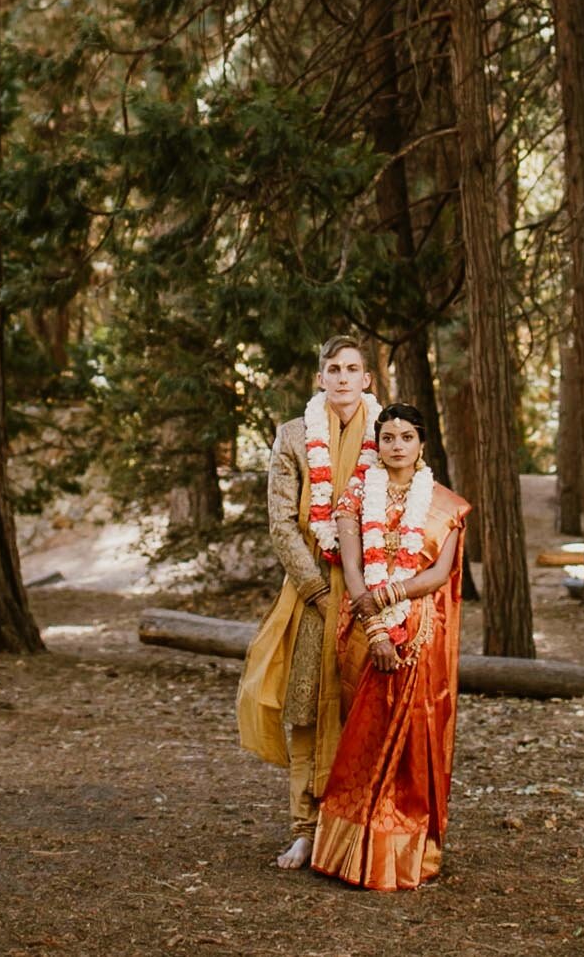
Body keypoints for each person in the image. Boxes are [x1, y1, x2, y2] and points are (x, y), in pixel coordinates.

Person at [311, 402, 469, 891]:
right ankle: (351, 854)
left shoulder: (446, 504)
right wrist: (377, 628)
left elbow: (440, 574)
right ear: (376, 443)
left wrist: (394, 595)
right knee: (365, 738)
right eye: (388, 438)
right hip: (365, 628)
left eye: (406, 438)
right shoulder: (355, 498)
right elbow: (356, 568)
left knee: (416, 739)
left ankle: (406, 852)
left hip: (423, 633)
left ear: (422, 443)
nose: (396, 446)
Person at [236, 335, 379, 869]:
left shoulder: (387, 434)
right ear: (320, 379)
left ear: (367, 380)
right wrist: (318, 591)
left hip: (371, 594)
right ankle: (304, 828)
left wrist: (371, 591)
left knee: (359, 708)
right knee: (305, 708)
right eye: (333, 369)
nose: (342, 378)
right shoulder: (293, 437)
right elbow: (280, 522)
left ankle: (356, 829)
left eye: (352, 369)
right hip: (312, 592)